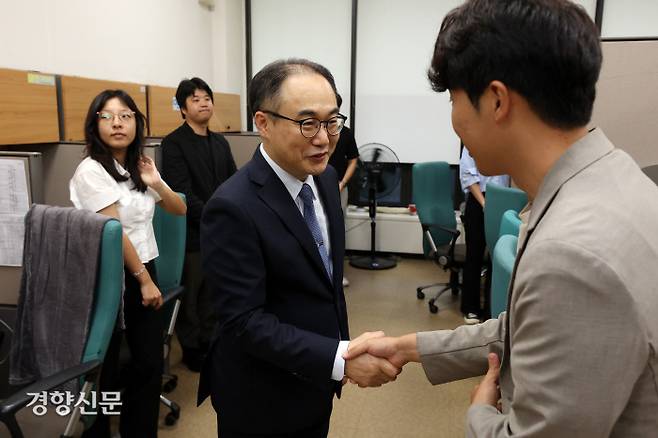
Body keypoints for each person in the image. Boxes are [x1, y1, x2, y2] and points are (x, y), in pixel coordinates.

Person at [344, 0, 658, 436]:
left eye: (453, 99)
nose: (453, 120)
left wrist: (480, 413)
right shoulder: (617, 177)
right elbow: (533, 327)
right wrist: (408, 347)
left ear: (496, 100)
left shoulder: (572, 254)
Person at [197, 58, 400, 438]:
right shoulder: (232, 207)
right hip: (262, 397)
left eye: (332, 121)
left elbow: (322, 282)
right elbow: (243, 322)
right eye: (307, 123)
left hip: (314, 383)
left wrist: (339, 350)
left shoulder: (324, 180)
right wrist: (339, 358)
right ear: (263, 123)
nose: (324, 138)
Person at [70, 89, 187, 438]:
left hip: (143, 269)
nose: (118, 123)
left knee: (149, 362)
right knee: (102, 367)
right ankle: (97, 432)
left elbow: (178, 209)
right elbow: (114, 230)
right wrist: (144, 281)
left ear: (137, 122)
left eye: (126, 115)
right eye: (107, 116)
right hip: (109, 275)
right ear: (95, 125)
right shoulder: (90, 171)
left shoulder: (137, 167)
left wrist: (155, 183)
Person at [161, 77, 237, 371]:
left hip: (221, 233)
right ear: (182, 108)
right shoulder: (173, 143)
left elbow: (233, 182)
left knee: (215, 291)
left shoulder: (220, 142)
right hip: (192, 234)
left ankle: (210, 340)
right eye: (195, 99)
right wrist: (215, 219)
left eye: (207, 97)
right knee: (191, 294)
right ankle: (191, 347)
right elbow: (181, 192)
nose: (203, 103)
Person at [459, 145, 509, 324]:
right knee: (475, 254)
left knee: (497, 257)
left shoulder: (506, 140)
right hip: (479, 199)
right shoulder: (473, 141)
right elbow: (467, 176)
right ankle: (470, 308)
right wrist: (484, 203)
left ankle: (491, 310)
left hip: (502, 199)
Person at [327, 93, 359, 288]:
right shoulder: (315, 131)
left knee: (338, 230)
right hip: (312, 187)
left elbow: (353, 159)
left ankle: (338, 273)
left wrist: (343, 182)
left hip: (338, 188)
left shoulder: (345, 133)